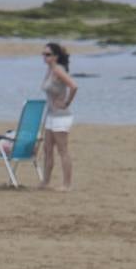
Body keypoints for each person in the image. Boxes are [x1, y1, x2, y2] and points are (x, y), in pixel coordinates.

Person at [39, 42, 78, 192]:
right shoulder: (50, 70)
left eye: (48, 54)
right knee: (47, 148)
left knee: (63, 150)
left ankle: (67, 184)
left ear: (55, 56)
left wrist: (67, 102)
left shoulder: (58, 70)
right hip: (51, 115)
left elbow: (73, 86)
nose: (44, 57)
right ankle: (45, 181)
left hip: (61, 116)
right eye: (43, 54)